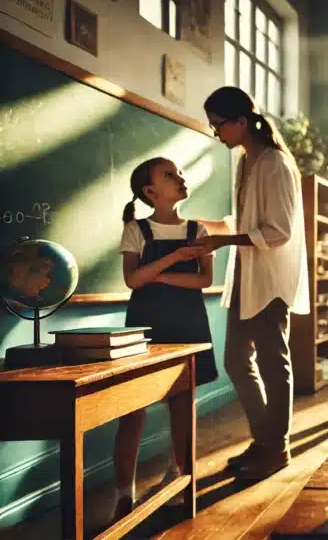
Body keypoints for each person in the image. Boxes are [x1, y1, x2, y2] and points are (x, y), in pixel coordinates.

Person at [191, 86, 309, 480]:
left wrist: (224, 240)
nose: (216, 133)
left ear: (242, 122)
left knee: (274, 364)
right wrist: (201, 227)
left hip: (270, 278)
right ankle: (266, 440)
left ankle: (277, 447)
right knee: (237, 361)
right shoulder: (246, 162)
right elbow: (244, 223)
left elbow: (279, 232)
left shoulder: (275, 163)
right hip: (245, 274)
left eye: (219, 125)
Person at [112, 157, 214, 518]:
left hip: (187, 326)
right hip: (144, 328)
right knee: (132, 411)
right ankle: (125, 492)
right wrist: (176, 260)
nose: (180, 177)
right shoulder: (136, 229)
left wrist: (160, 273)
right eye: (170, 175)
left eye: (180, 172)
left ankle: (180, 474)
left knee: (182, 406)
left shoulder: (198, 230)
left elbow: (203, 281)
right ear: (150, 191)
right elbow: (132, 280)